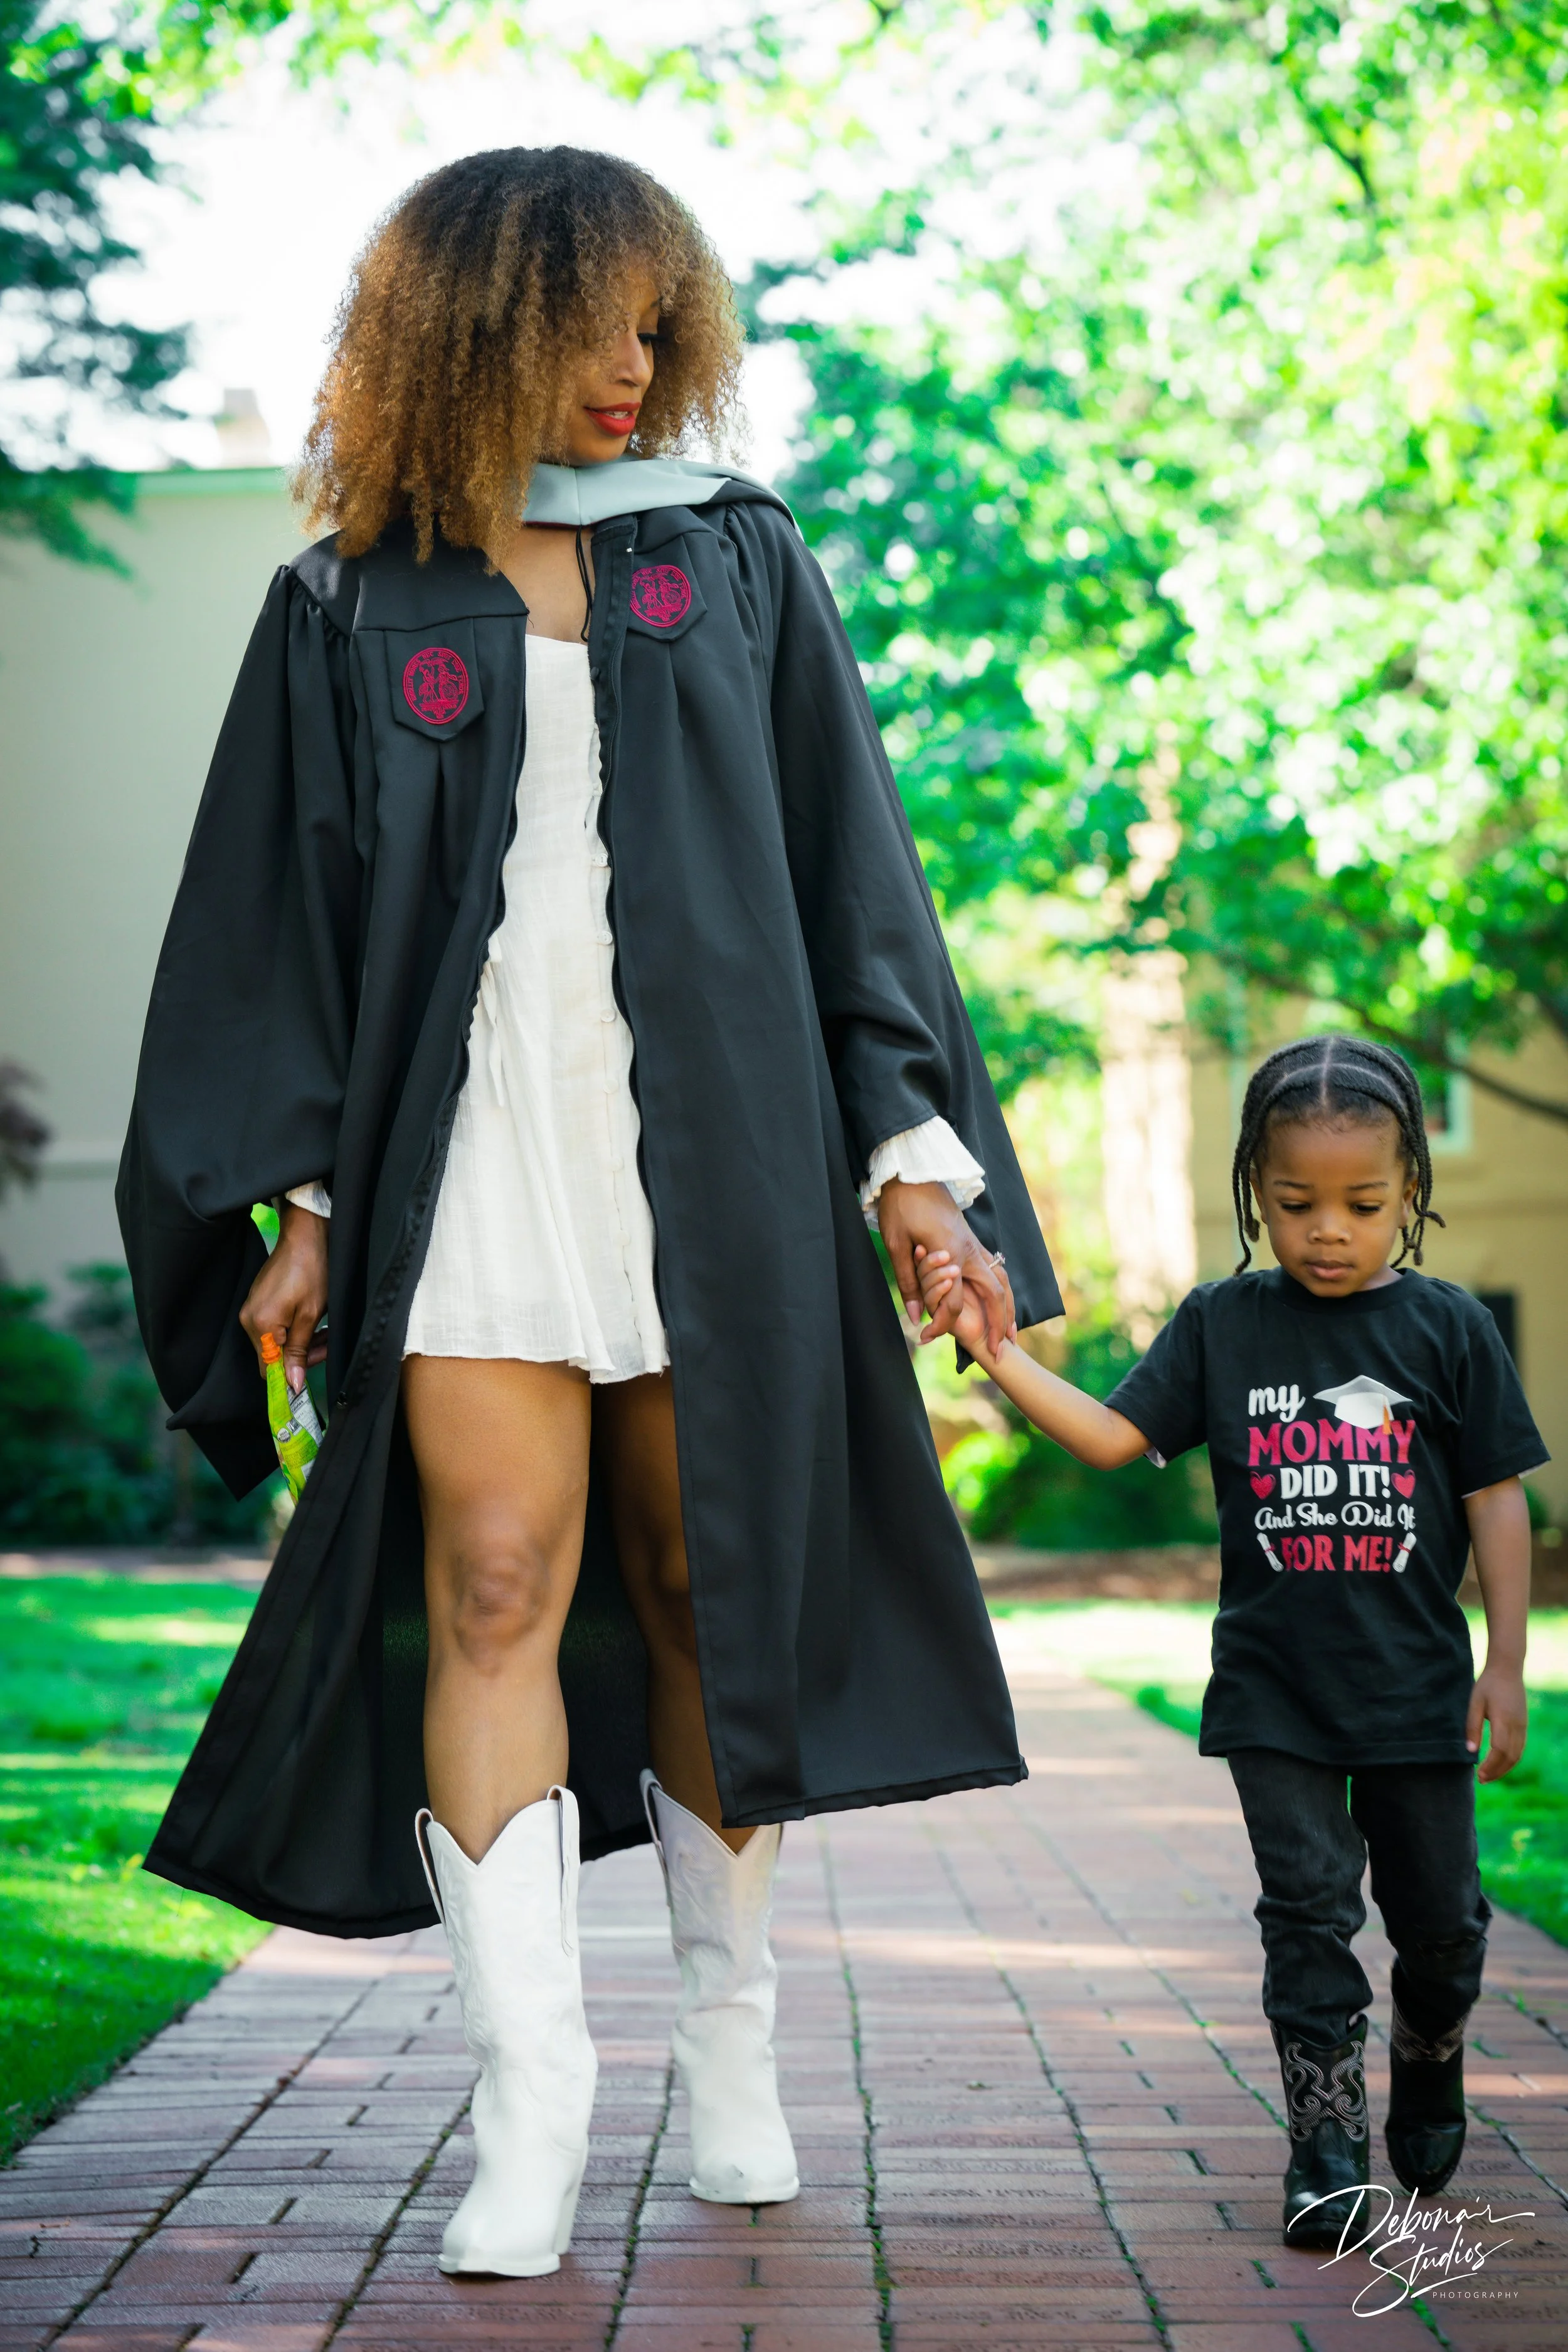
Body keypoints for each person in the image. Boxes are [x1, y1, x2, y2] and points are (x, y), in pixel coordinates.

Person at [117, 146, 1062, 2280]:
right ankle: (528, 2102)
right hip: (465, 1164)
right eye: (593, 323)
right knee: (491, 1578)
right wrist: (299, 1200)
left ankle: (728, 2037)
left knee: (703, 1584)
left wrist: (911, 1164)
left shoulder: (732, 560)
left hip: (710, 1158)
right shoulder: (349, 599)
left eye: (663, 325)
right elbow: (275, 927)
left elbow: (854, 882)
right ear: (478, 323)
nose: (641, 368)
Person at [916, 1033, 1544, 2249]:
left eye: (1360, 1204)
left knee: (1440, 1928)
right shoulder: (1223, 1325)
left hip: (1413, 1688)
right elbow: (1108, 1438)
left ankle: (1428, 2048)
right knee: (1304, 1913)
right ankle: (1321, 2148)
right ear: (1253, 1193)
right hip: (1273, 1692)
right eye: (1293, 1202)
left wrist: (1503, 1663)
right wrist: (995, 1355)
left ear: (1409, 1190)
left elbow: (1495, 1495)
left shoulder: (1446, 1328)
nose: (1325, 1230)